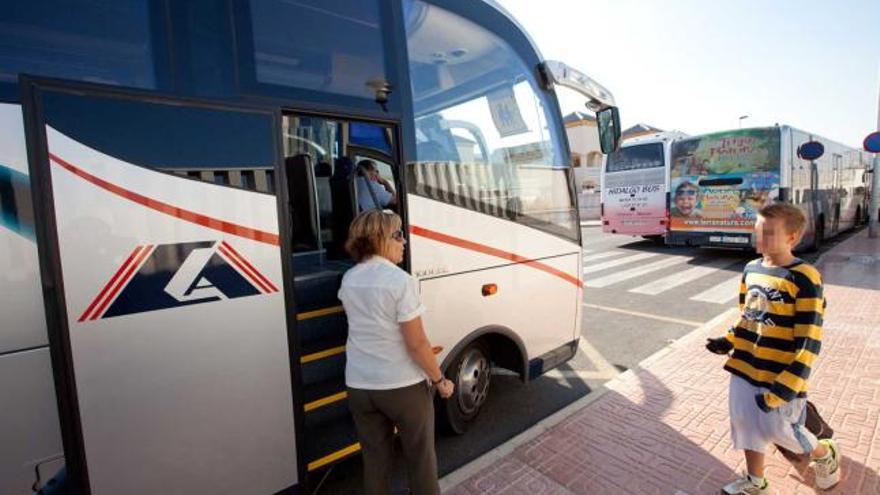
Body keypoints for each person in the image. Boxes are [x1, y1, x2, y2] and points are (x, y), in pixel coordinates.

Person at [705, 203, 840, 494]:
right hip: (745, 365)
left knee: (782, 431)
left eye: (768, 233)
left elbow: (809, 339)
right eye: (758, 232)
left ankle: (825, 456)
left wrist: (788, 385)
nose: (760, 239)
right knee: (745, 425)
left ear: (792, 237)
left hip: (780, 375)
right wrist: (728, 341)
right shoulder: (751, 269)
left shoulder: (804, 277)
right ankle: (756, 483)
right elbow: (748, 315)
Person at [338, 210, 453, 495]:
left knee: (375, 463)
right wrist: (440, 381)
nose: (404, 242)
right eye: (398, 235)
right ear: (379, 239)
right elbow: (416, 343)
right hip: (402, 387)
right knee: (420, 460)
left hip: (359, 385)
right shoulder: (400, 281)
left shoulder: (349, 278)